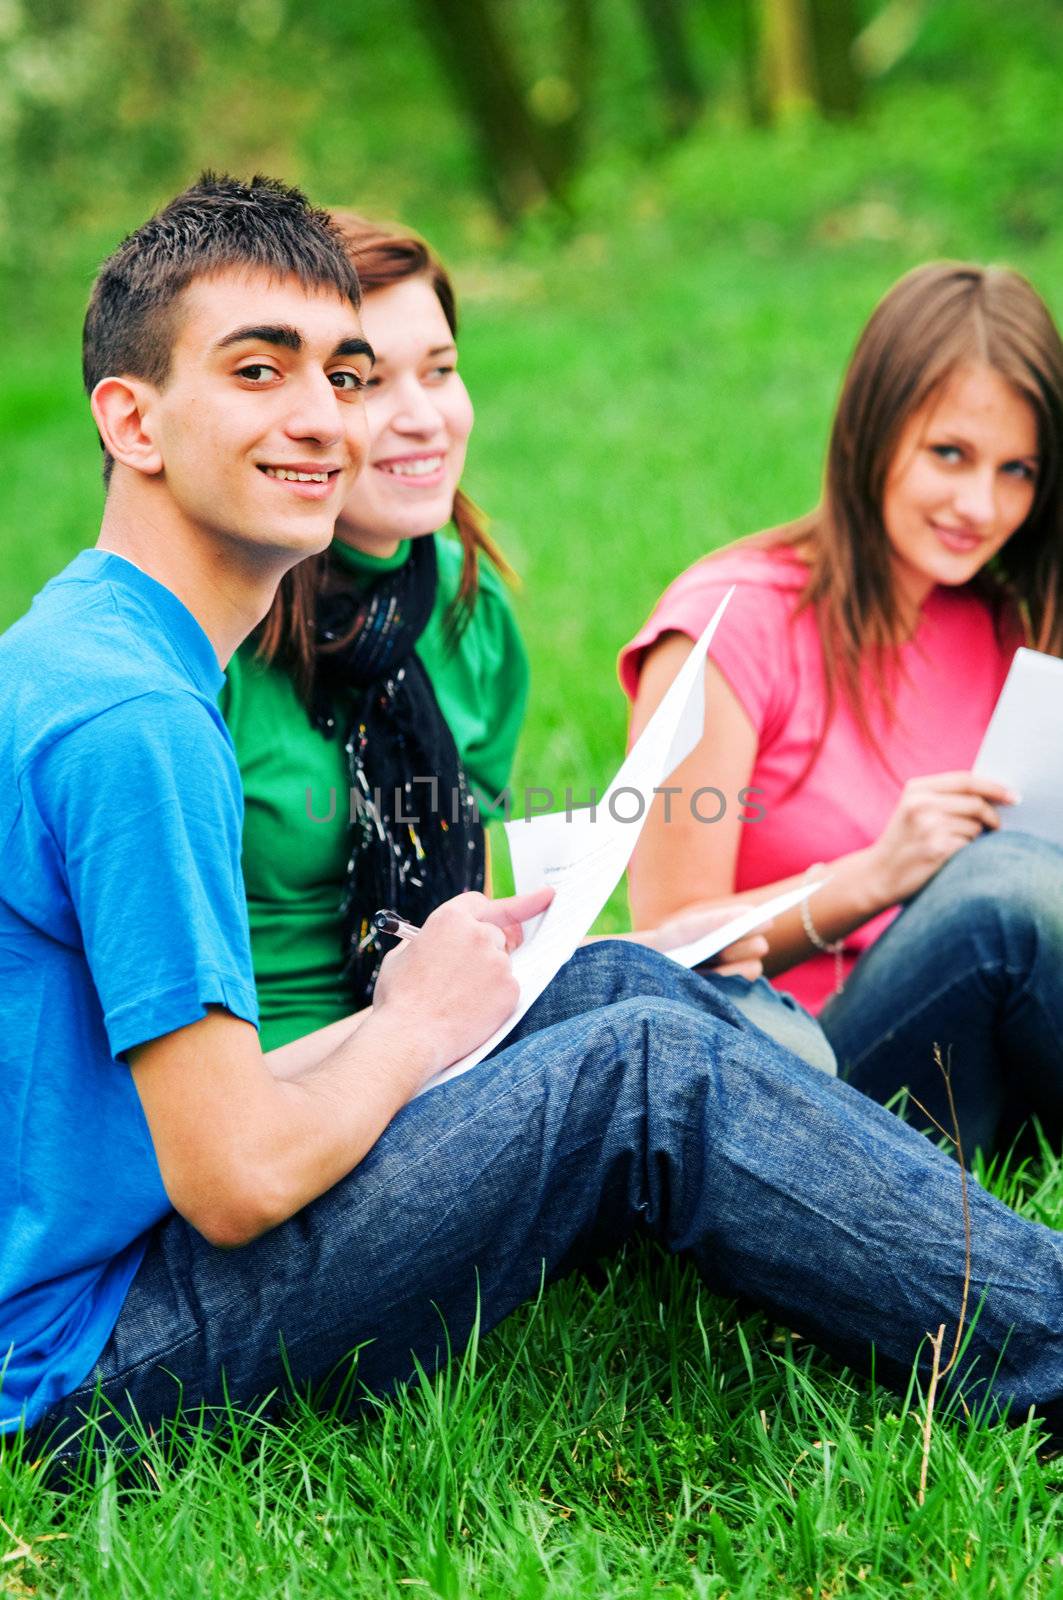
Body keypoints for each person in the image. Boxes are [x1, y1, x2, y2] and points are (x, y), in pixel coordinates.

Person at [5, 185, 1063, 1470]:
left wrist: (450, 998)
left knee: (595, 977)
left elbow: (188, 1113)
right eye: (254, 368)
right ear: (133, 418)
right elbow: (233, 1178)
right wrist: (411, 1027)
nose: (318, 417)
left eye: (335, 374)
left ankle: (928, 1249)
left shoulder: (97, 644)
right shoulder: (135, 720)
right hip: (87, 1356)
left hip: (113, 1244)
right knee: (641, 1073)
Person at [221, 211, 827, 1068]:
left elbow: (473, 918)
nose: (423, 417)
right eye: (367, 380)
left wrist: (647, 948)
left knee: (766, 1030)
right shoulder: (222, 632)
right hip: (291, 1082)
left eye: (440, 371)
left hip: (454, 1038)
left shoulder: (471, 611)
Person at [622, 263, 1063, 1158]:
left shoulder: (1016, 630)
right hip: (810, 1076)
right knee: (1000, 890)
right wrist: (872, 875)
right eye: (949, 454)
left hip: (993, 1062)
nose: (981, 506)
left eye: (1015, 471)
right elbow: (656, 954)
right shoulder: (726, 627)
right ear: (872, 431)